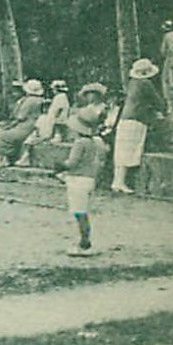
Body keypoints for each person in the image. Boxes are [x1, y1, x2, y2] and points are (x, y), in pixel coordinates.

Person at [56, 83, 111, 256]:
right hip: (89, 179)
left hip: (78, 179)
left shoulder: (80, 143)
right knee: (83, 212)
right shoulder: (95, 142)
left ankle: (84, 243)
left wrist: (59, 165)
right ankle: (84, 241)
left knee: (79, 213)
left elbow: (72, 163)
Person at [112, 57, 163, 193]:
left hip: (124, 119)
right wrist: (161, 109)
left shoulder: (132, 83)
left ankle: (117, 181)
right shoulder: (145, 83)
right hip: (135, 119)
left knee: (121, 151)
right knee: (129, 151)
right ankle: (121, 182)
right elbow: (157, 101)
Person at [0, 79, 46, 173]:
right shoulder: (38, 100)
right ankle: (3, 159)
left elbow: (21, 116)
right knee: (1, 132)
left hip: (26, 125)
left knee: (3, 135)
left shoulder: (30, 101)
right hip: (30, 124)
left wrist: (10, 124)